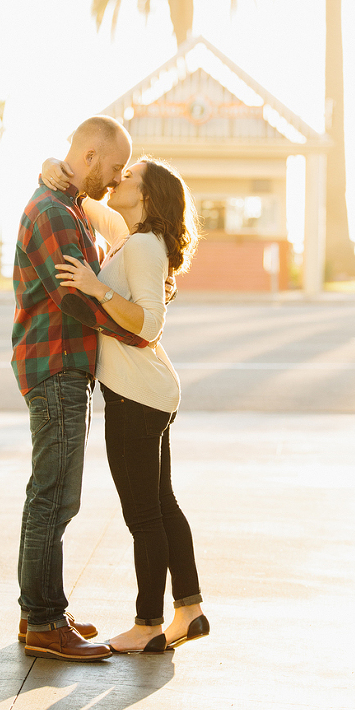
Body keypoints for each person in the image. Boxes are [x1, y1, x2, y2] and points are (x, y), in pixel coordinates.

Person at [40, 151, 210, 655]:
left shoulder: (142, 246)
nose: (119, 176)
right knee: (162, 504)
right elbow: (87, 199)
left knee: (143, 516)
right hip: (148, 390)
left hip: (137, 396)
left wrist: (95, 289)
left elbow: (150, 323)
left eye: (129, 175)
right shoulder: (131, 238)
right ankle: (189, 610)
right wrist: (53, 165)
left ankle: (148, 623)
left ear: (147, 195)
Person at [12, 115, 150, 662]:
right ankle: (44, 622)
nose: (115, 181)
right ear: (90, 156)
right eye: (113, 168)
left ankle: (40, 610)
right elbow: (74, 298)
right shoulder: (51, 212)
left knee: (51, 494)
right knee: (54, 497)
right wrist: (133, 331)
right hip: (56, 368)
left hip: (64, 368)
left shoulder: (65, 204)